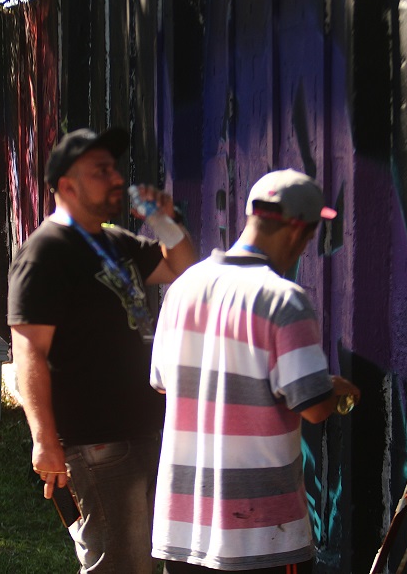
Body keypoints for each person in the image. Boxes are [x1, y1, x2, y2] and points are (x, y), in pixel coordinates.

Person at [149, 169, 361, 574]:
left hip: (182, 532)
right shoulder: (284, 300)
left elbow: (165, 384)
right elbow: (314, 407)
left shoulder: (183, 288)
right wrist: (337, 391)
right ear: (298, 231)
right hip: (262, 535)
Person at [7, 127, 196, 574]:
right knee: (120, 564)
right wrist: (44, 440)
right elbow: (28, 353)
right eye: (101, 171)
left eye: (114, 169)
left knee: (143, 561)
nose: (116, 179)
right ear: (67, 185)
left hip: (140, 428)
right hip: (95, 441)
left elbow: (183, 269)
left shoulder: (114, 240)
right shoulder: (45, 253)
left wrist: (164, 220)